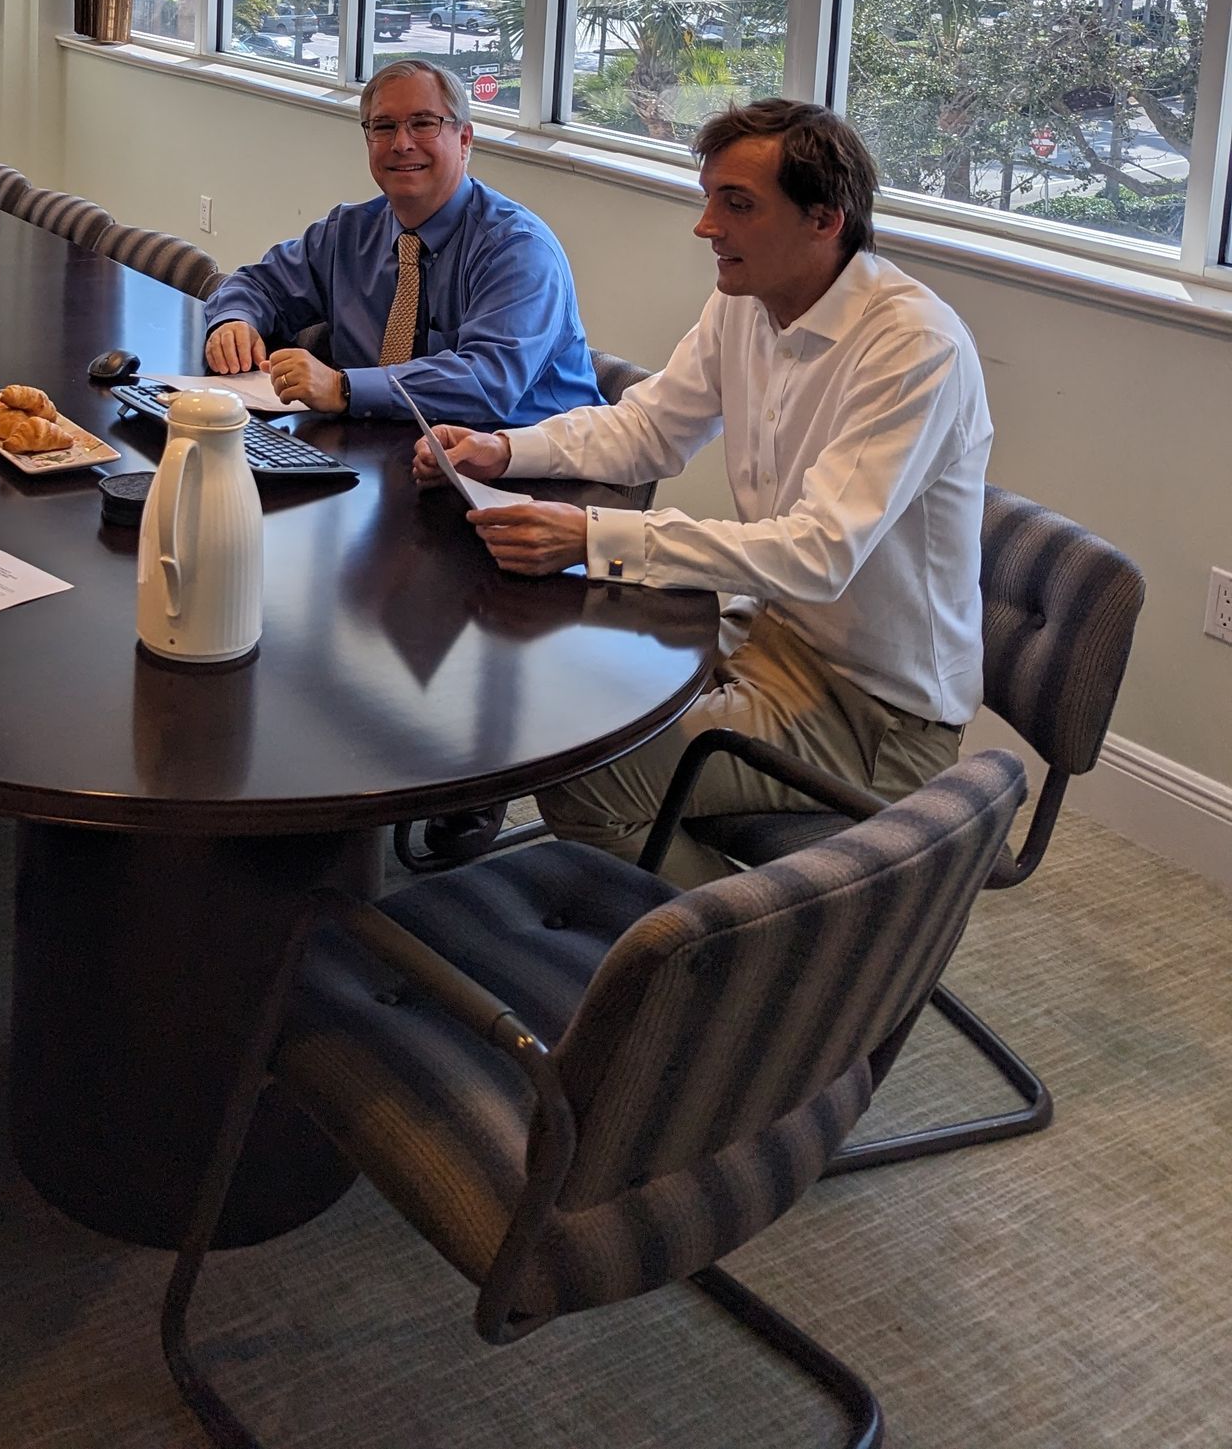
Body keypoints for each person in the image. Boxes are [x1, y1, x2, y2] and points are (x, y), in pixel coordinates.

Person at [415, 98, 993, 887]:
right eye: (710, 197)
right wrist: (503, 448)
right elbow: (647, 429)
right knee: (555, 699)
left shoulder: (912, 348)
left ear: (826, 219)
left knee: (585, 780)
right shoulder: (744, 303)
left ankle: (766, 960)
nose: (706, 226)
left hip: (877, 714)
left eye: (738, 204)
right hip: (764, 635)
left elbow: (818, 554)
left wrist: (594, 538)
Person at [202, 59, 603, 425]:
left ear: (464, 139)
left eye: (424, 123)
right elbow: (258, 284)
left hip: (535, 475)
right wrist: (235, 321)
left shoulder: (518, 252)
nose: (401, 143)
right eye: (384, 126)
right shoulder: (349, 232)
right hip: (392, 453)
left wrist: (343, 388)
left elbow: (487, 381)